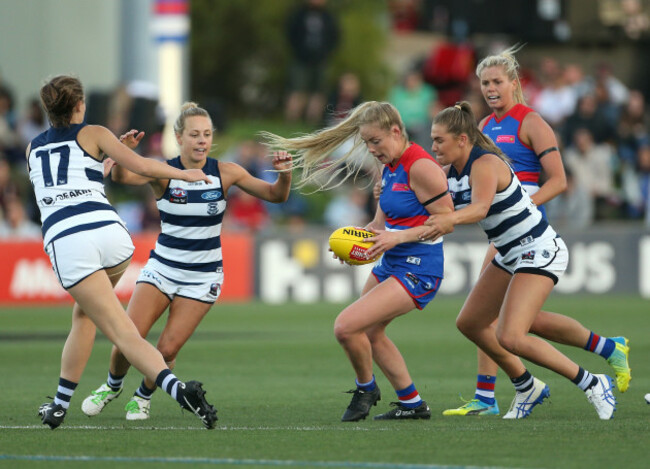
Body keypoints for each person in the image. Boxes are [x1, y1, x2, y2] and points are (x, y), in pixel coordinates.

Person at [442, 47, 631, 417]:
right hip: (503, 232)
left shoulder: (531, 122)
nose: (491, 88)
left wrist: (522, 205)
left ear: (514, 83)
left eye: (497, 81)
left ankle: (495, 394)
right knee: (503, 320)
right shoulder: (484, 128)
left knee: (507, 325)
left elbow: (560, 180)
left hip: (528, 231)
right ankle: (608, 349)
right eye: (484, 83)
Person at [80, 102, 292, 421]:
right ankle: (112, 386)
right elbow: (123, 176)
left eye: (206, 134)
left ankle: (142, 397)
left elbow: (276, 196)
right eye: (194, 134)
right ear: (179, 137)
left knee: (166, 351)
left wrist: (285, 175)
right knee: (129, 339)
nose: (202, 140)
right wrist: (124, 151)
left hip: (202, 277)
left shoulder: (226, 172)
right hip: (162, 269)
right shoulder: (164, 172)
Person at [29, 76, 217, 430]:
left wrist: (179, 173)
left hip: (70, 242)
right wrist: (184, 173)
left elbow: (65, 177)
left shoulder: (31, 149)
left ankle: (180, 392)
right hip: (112, 237)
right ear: (79, 106)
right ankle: (58, 404)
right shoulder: (96, 134)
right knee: (84, 316)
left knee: (123, 333)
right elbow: (142, 167)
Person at [262, 101, 453, 421]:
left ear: (396, 131)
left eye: (375, 141)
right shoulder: (388, 167)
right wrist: (357, 244)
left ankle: (367, 388)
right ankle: (412, 404)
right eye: (366, 143)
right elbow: (379, 226)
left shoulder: (421, 166)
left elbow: (447, 220)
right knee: (371, 332)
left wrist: (397, 238)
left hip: (420, 266)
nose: (371, 149)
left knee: (346, 327)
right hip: (393, 261)